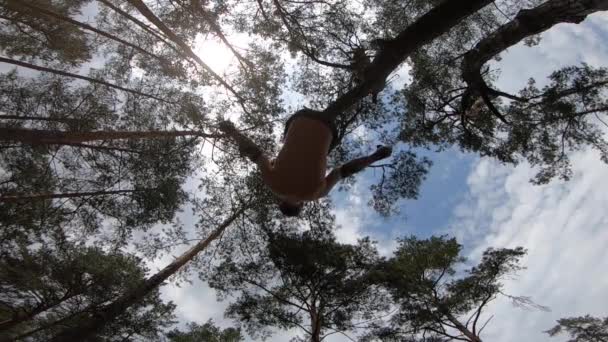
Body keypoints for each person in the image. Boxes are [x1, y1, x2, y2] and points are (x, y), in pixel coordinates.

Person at [219, 108, 392, 217]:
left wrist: (373, 158)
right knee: (285, 143)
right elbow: (256, 154)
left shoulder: (316, 194)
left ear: (301, 206)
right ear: (281, 203)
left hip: (329, 129)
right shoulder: (273, 185)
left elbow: (343, 171)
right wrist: (233, 132)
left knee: (325, 151)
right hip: (299, 119)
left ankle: (370, 154)